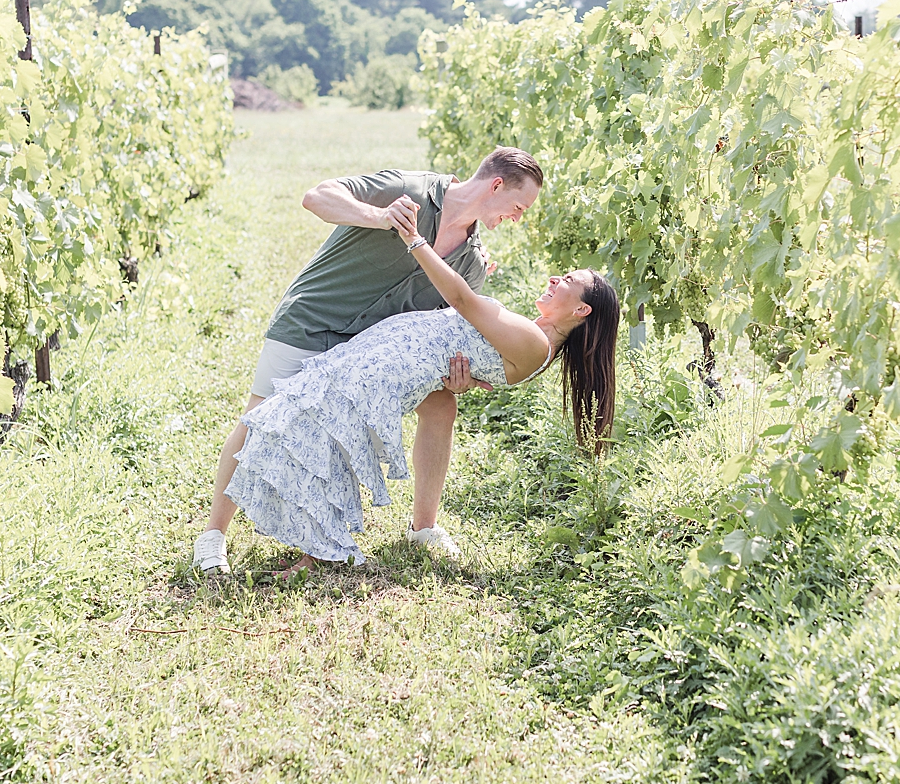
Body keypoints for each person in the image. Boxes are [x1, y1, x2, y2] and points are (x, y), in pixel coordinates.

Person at [224, 191, 620, 574]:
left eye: (567, 279)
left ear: (581, 309)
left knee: (320, 430)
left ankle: (318, 551)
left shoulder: (536, 344)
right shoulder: (534, 337)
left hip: (390, 366)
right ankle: (325, 542)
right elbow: (471, 338)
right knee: (315, 423)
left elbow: (464, 302)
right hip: (387, 353)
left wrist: (415, 240)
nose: (554, 278)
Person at [192, 148, 543, 574]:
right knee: (260, 417)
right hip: (313, 319)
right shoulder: (408, 189)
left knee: (441, 405)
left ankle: (423, 527)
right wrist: (380, 218)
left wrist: (457, 378)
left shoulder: (471, 262)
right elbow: (316, 196)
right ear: (496, 185)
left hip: (368, 353)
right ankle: (213, 536)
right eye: (519, 206)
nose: (518, 218)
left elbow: (442, 328)